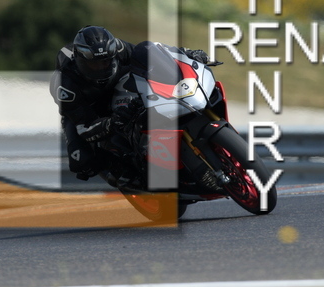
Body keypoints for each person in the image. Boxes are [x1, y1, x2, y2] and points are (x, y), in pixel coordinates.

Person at [50, 25, 209, 180]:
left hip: (121, 85)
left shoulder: (118, 48)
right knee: (82, 160)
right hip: (88, 108)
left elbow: (152, 53)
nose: (100, 68)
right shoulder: (65, 85)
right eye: (94, 64)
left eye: (105, 62)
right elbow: (85, 128)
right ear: (80, 61)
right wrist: (111, 122)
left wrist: (186, 54)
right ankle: (127, 174)